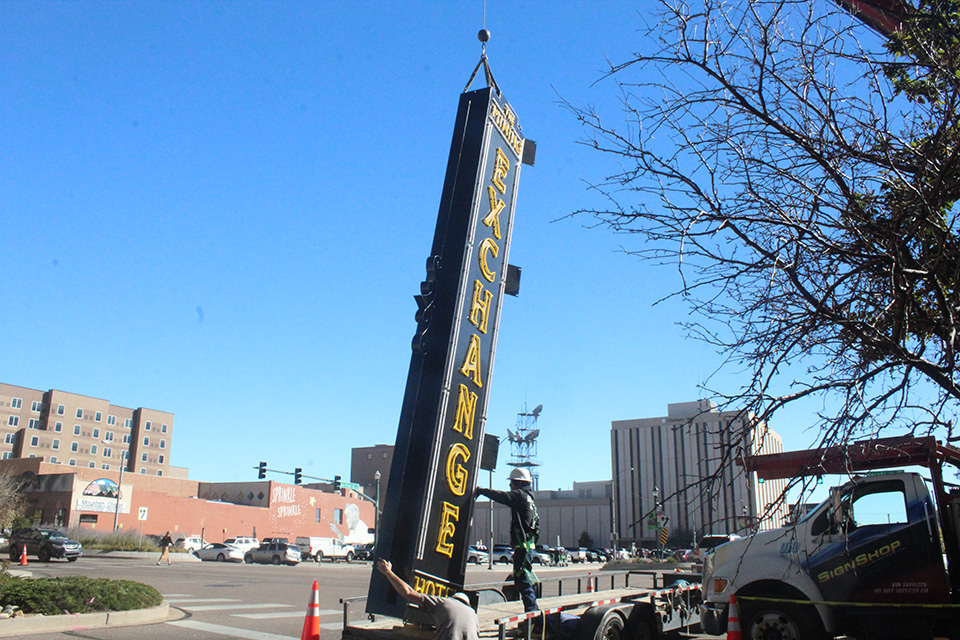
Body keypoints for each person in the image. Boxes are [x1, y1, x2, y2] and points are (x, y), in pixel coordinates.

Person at [476, 467, 540, 612]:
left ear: (518, 483)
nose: (510, 486)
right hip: (526, 546)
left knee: (522, 579)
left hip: (523, 547)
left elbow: (501, 496)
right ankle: (530, 611)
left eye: (511, 483)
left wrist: (481, 491)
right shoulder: (529, 499)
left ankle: (533, 613)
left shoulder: (520, 496)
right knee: (520, 579)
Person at [376, 558, 479, 640]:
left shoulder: (445, 603)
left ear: (454, 599)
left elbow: (408, 592)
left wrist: (387, 572)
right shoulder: (473, 615)